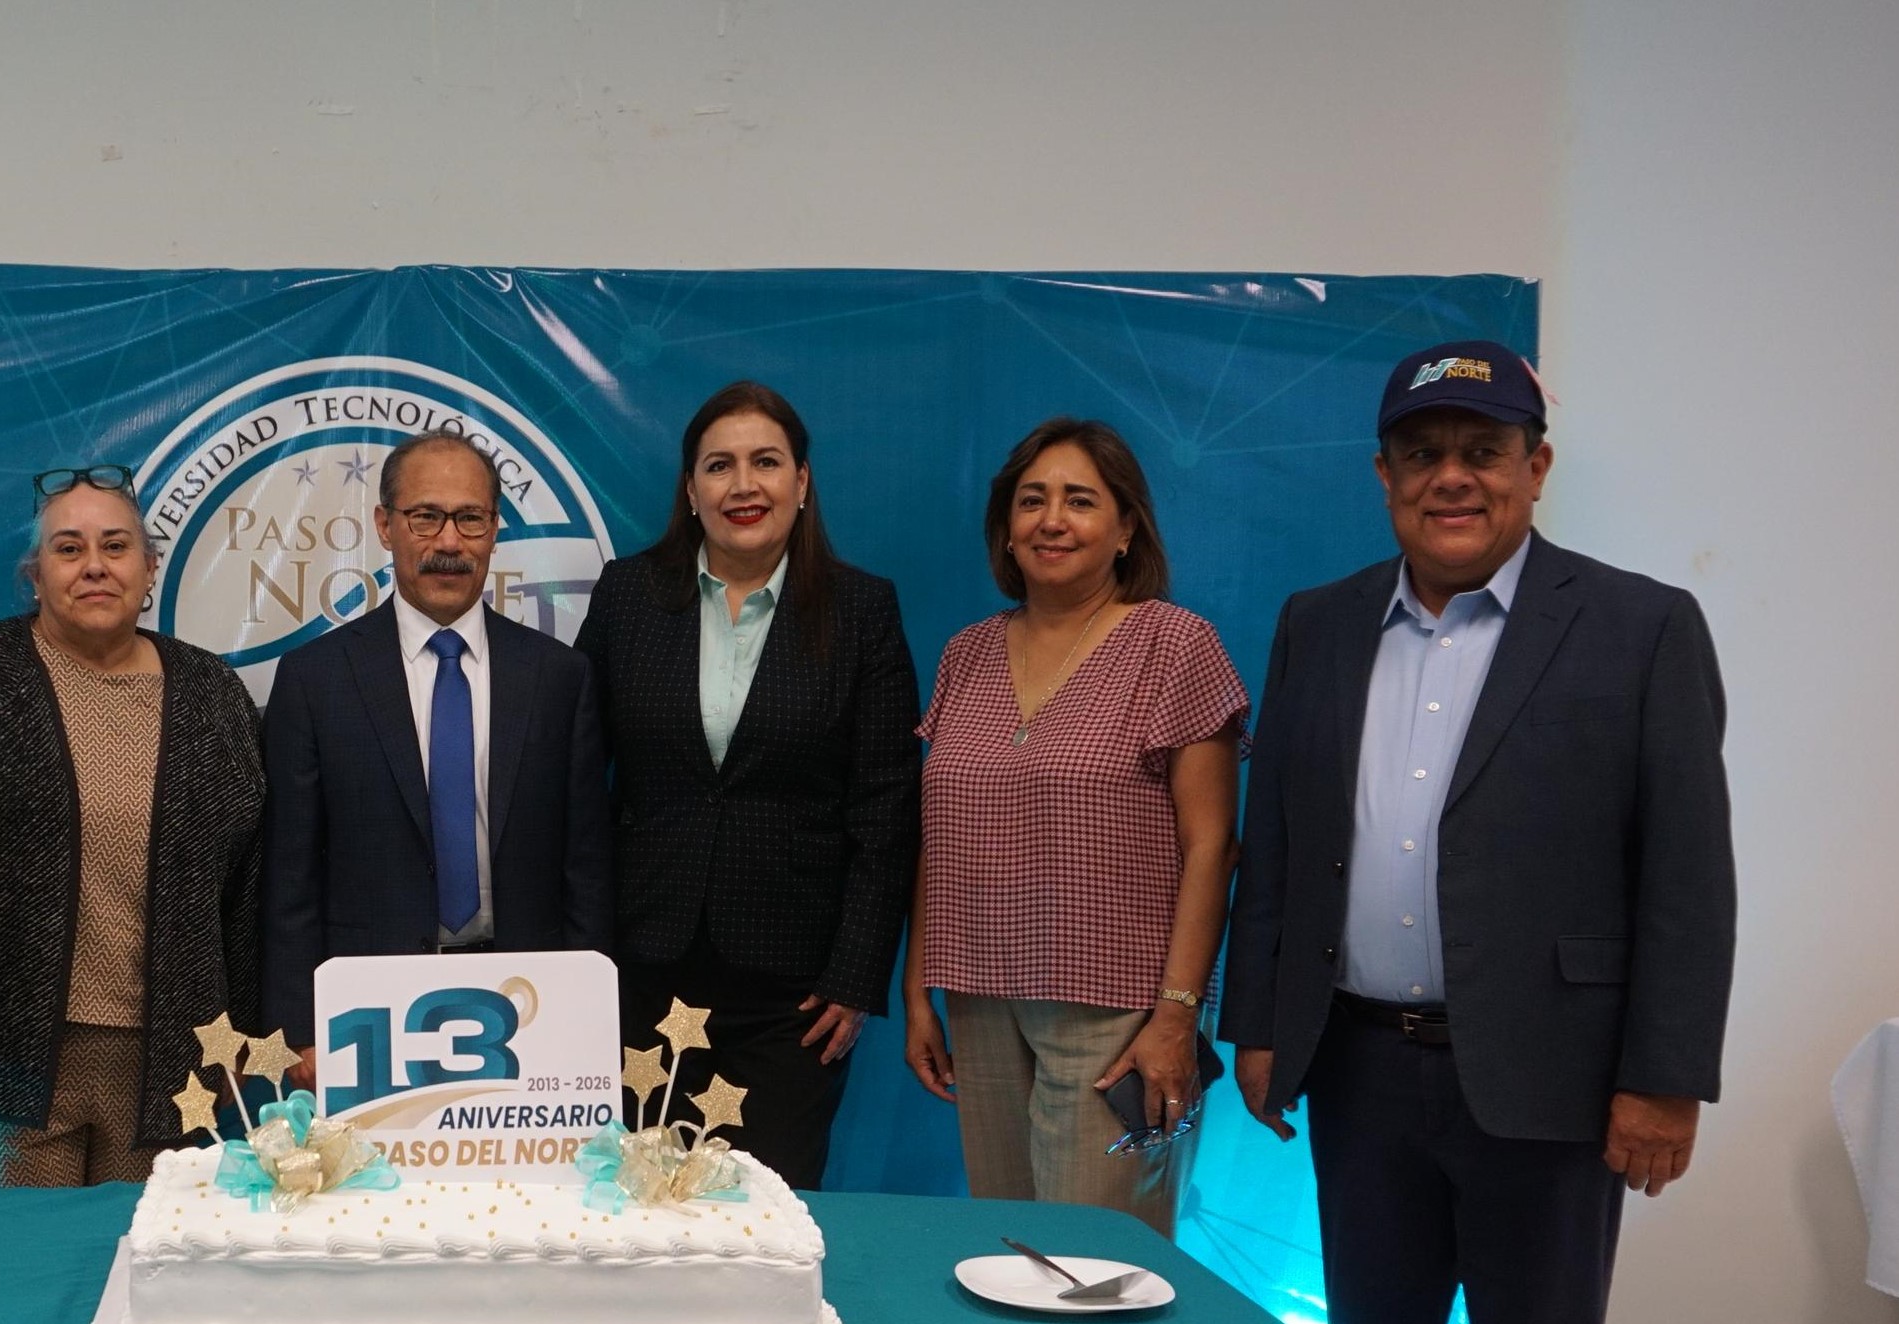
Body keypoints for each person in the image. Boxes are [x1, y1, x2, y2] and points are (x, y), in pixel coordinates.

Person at [1220, 340, 1736, 1324]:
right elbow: (1280, 843)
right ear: (1383, 476)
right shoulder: (1318, 622)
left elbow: (1688, 874)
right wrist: (1258, 1021)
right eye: (1422, 454)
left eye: (1482, 451)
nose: (1451, 476)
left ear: (1535, 467)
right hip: (1360, 1068)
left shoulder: (1641, 626)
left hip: (1552, 1071)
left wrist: (1665, 1077)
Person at [897, 418, 1247, 1235]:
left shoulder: (1175, 645)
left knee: (1098, 1266)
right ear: (1005, 528)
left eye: (1080, 501)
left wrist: (1175, 1016)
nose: (1051, 520)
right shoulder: (966, 654)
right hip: (979, 999)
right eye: (1031, 501)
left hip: (1119, 1014)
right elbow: (937, 835)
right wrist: (917, 990)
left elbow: (1211, 848)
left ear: (1126, 529)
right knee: (1008, 1251)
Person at [0, 468, 266, 1186]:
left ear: (149, 569)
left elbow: (247, 886)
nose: (94, 566)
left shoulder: (213, 694)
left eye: (115, 546)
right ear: (34, 575)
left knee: (146, 1256)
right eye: (68, 548)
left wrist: (242, 1029)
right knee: (10, 1254)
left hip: (172, 1067)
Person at [574, 382, 919, 1191]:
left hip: (793, 996)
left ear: (801, 482)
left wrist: (855, 974)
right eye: (718, 465)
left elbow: (886, 807)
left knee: (770, 1209)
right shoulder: (627, 596)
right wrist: (579, 955)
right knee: (635, 1209)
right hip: (641, 972)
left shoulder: (861, 609)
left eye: (765, 462)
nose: (742, 485)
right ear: (690, 490)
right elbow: (576, 780)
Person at [262, 431, 612, 1070]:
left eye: (470, 518)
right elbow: (290, 875)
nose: (449, 542)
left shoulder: (559, 678)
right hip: (367, 1013)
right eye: (426, 517)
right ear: (384, 525)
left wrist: (589, 1011)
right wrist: (297, 1027)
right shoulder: (316, 679)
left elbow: (584, 868)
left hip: (532, 1005)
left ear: (494, 530)